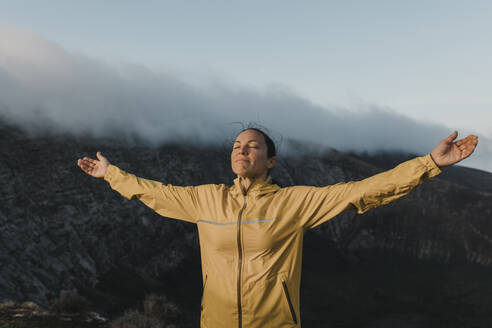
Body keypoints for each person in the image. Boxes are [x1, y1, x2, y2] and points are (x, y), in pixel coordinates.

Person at [77, 128, 478, 328]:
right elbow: (156, 192)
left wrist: (429, 163)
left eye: (252, 146)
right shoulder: (205, 199)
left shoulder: (292, 203)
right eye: (236, 145)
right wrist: (112, 174)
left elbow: (361, 190)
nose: (241, 150)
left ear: (270, 161)